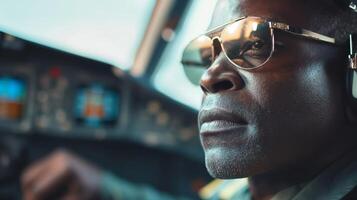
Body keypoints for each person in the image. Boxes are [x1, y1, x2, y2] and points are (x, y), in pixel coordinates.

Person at [21, 0, 357, 199]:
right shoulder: (266, 185)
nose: (210, 76)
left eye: (254, 42)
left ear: (351, 71)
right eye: (206, 55)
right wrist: (102, 188)